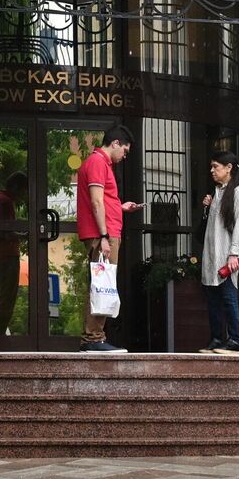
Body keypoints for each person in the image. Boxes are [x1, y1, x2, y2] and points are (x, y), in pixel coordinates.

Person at [77, 126, 142, 353]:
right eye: (125, 150)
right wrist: (104, 236)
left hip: (105, 232)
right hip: (103, 235)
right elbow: (96, 202)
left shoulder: (101, 163)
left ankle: (93, 337)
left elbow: (101, 200)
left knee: (101, 284)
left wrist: (119, 207)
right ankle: (93, 338)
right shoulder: (97, 162)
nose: (124, 156)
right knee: (101, 284)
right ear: (115, 143)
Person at [198, 150, 239, 354]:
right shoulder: (216, 192)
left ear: (229, 168)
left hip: (227, 256)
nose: (212, 170)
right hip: (211, 256)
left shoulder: (237, 192)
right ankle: (217, 339)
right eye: (211, 167)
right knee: (213, 301)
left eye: (215, 166)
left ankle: (234, 340)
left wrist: (234, 253)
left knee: (228, 298)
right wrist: (207, 208)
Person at [0, 171, 28, 337]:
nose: (22, 195)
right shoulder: (5, 202)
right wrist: (23, 235)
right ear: (15, 187)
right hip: (7, 255)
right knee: (6, 298)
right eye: (23, 190)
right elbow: (5, 232)